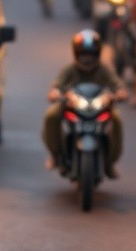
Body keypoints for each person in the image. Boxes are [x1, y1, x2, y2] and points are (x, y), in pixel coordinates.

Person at [41, 29, 126, 178]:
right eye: (84, 54)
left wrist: (119, 93)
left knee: (117, 120)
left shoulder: (104, 70)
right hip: (72, 106)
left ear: (98, 54)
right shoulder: (69, 70)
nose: (87, 59)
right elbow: (56, 85)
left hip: (100, 107)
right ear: (76, 53)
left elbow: (118, 85)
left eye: (91, 54)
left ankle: (110, 162)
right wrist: (55, 92)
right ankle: (55, 155)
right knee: (51, 115)